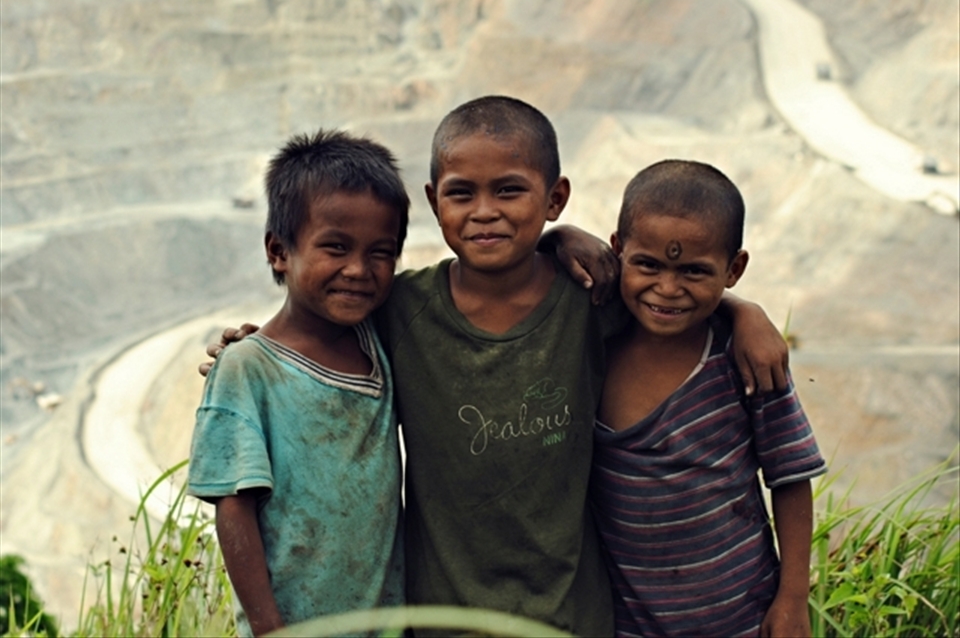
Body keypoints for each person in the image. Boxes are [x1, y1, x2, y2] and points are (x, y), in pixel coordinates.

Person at [203, 96, 790, 635]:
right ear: (435, 203)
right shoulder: (401, 311)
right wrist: (252, 350)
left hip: (573, 615)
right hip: (442, 618)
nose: (485, 212)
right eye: (462, 193)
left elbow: (666, 296)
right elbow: (319, 322)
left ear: (555, 198)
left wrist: (744, 313)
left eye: (509, 191)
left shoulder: (587, 299)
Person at [187, 129, 408, 637]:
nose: (359, 269)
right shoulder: (248, 369)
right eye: (335, 247)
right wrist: (269, 629)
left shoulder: (381, 341)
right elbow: (234, 509)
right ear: (279, 251)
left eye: (381, 252)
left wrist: (557, 239)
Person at [593, 159, 826, 638]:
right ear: (617, 252)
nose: (668, 288)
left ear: (734, 269)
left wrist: (793, 596)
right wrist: (560, 237)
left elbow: (790, 475)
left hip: (741, 618)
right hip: (628, 624)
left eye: (694, 271)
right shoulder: (589, 341)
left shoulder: (745, 360)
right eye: (648, 265)